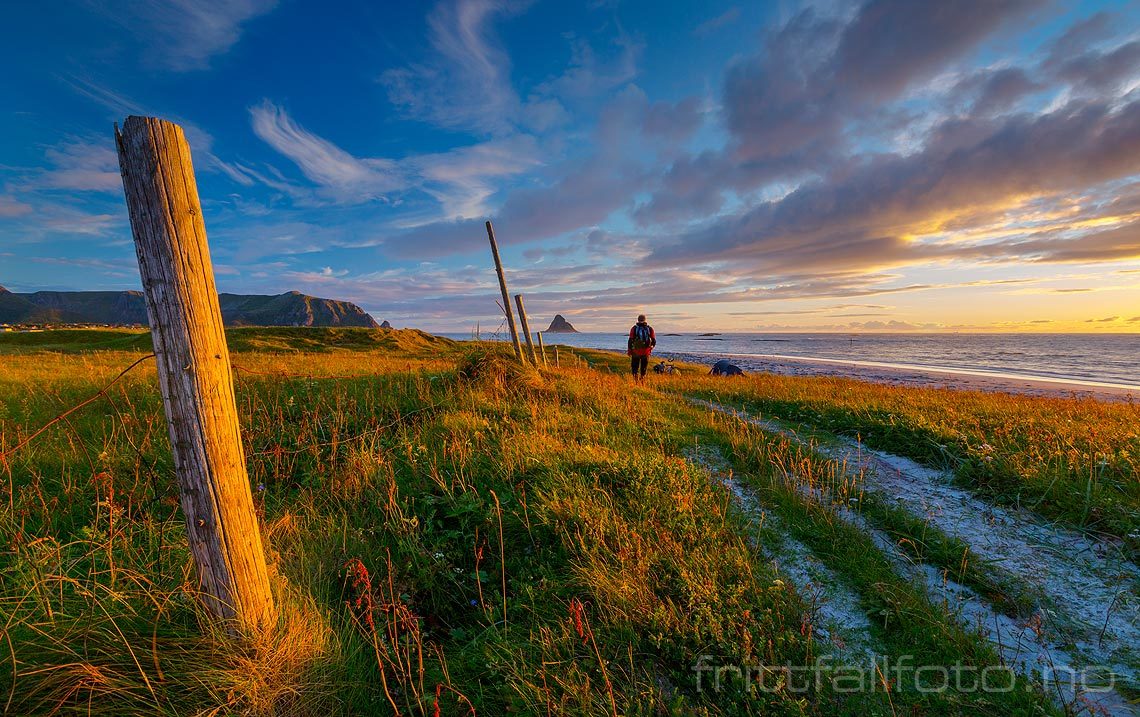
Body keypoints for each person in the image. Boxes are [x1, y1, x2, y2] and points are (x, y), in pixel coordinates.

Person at [627, 314, 656, 380]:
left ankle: (635, 381)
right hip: (646, 352)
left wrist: (629, 351)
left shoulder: (634, 328)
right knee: (644, 368)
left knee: (635, 368)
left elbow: (630, 340)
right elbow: (654, 340)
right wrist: (651, 348)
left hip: (635, 352)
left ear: (638, 320)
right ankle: (642, 381)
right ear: (645, 320)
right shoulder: (650, 328)